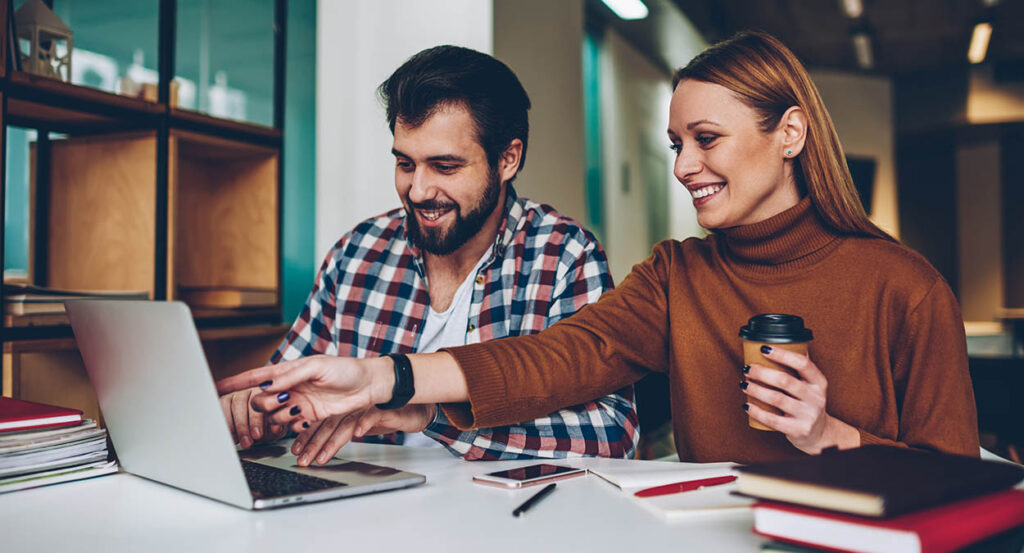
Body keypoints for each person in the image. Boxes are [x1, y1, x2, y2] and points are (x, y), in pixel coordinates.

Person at [218, 31, 979, 464]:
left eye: (706, 140)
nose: (683, 167)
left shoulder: (905, 288)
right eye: (677, 142)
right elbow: (553, 358)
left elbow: (959, 484)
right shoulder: (677, 275)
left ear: (790, 133)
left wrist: (831, 434)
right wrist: (387, 377)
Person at [219, 45, 639, 465]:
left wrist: (434, 417)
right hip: (361, 514)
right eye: (405, 164)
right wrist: (259, 412)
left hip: (504, 521)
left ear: (508, 159)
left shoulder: (563, 256)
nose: (418, 191)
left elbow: (610, 434)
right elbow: (288, 394)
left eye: (445, 166)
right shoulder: (357, 252)